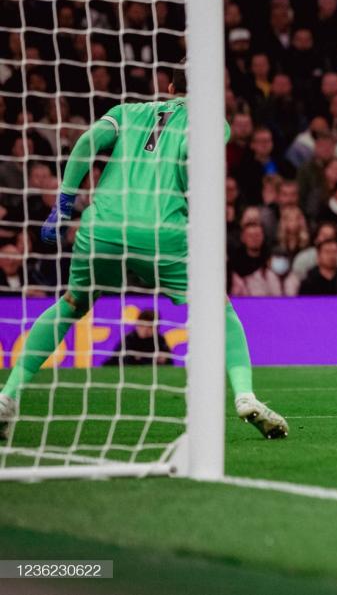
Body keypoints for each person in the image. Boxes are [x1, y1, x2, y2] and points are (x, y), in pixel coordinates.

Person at [0, 69, 288, 441]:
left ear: (169, 88)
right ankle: (246, 395)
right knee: (220, 308)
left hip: (102, 229)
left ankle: (8, 395)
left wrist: (65, 202)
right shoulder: (212, 123)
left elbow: (87, 142)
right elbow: (192, 159)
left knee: (71, 304)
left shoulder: (125, 113)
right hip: (161, 232)